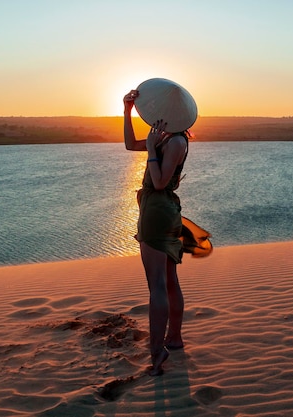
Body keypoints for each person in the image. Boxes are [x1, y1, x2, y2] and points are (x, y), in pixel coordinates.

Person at [123, 79, 196, 376]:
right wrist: (126, 112)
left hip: (158, 210)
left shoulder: (176, 141)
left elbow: (161, 180)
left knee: (158, 286)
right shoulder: (167, 137)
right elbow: (130, 145)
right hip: (159, 209)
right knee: (167, 280)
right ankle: (173, 339)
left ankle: (157, 353)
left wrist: (152, 148)